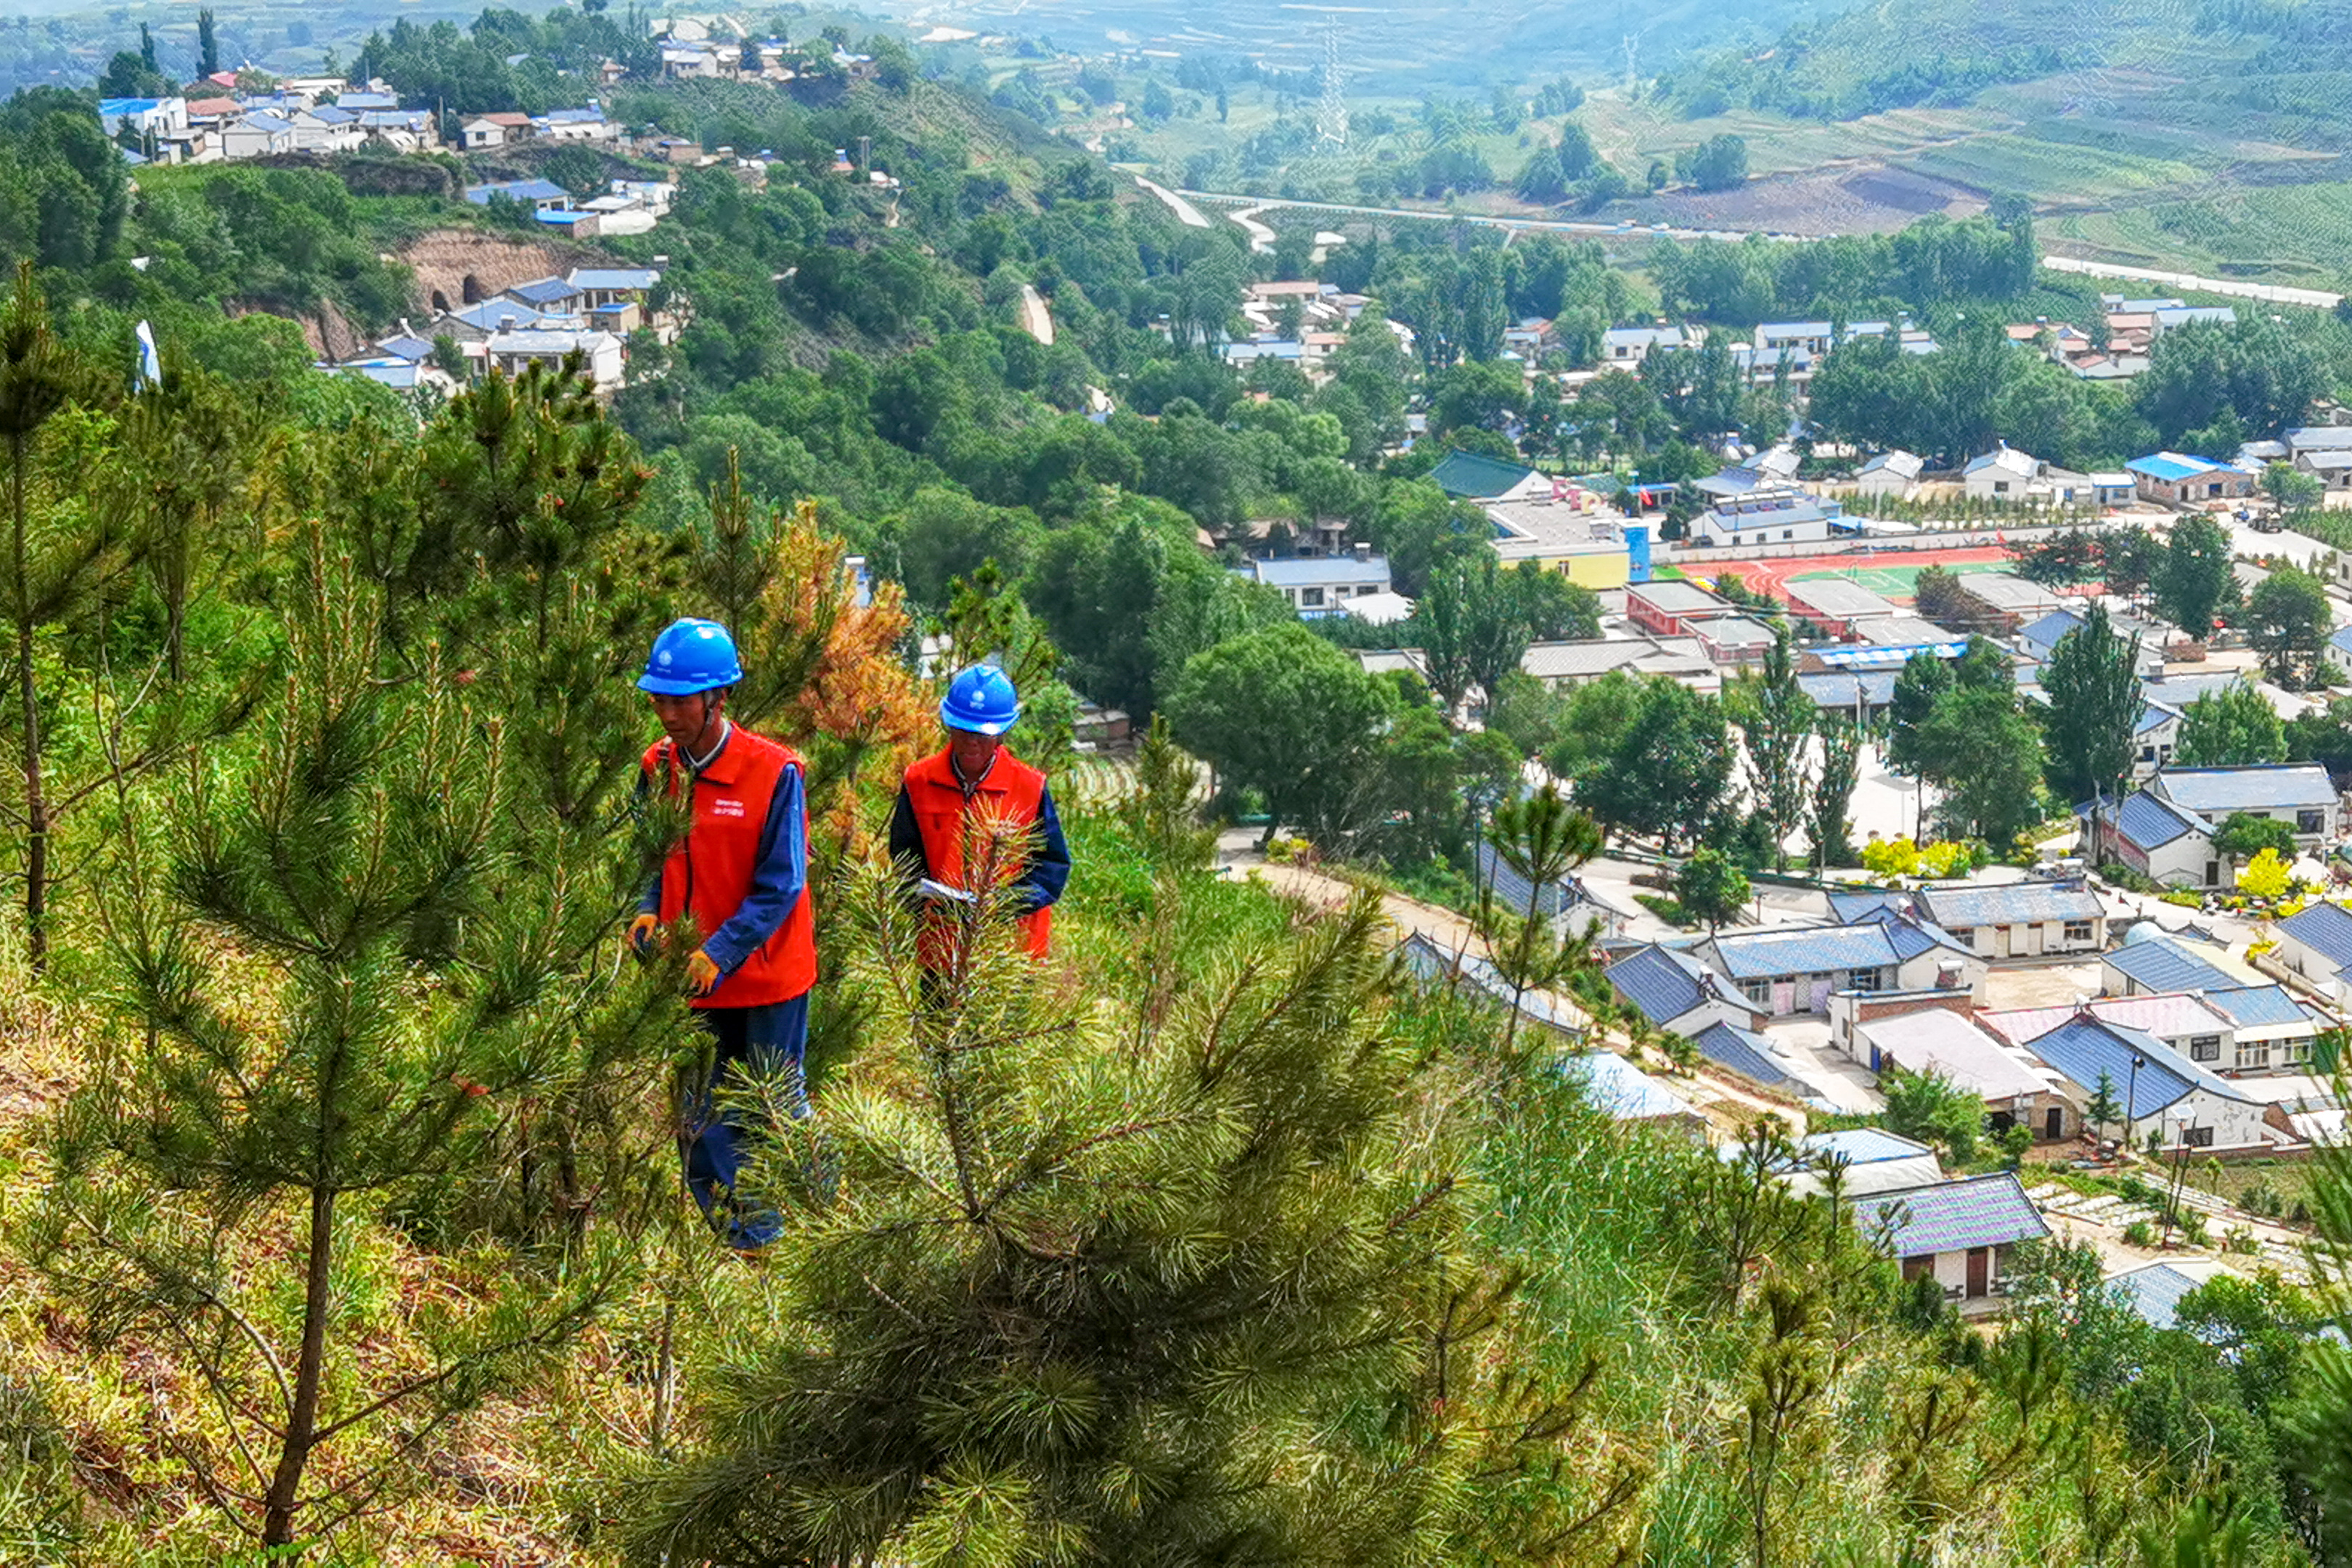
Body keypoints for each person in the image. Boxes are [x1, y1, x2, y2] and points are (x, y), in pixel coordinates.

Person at [629, 617, 814, 1251]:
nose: (666, 712)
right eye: (658, 698)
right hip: (691, 975)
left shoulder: (774, 773)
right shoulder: (657, 768)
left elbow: (781, 884)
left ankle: (799, 1219)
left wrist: (722, 950)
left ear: (718, 698)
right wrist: (645, 909)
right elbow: (646, 857)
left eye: (679, 699)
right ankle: (737, 1235)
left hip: (767, 978)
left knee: (770, 1108)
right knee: (698, 1116)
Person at [889, 665, 1070, 964]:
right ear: (949, 726)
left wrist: (999, 906)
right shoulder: (919, 781)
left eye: (982, 733)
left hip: (1010, 954)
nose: (972, 741)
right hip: (940, 950)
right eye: (964, 730)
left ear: (1002, 733)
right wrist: (924, 907)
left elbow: (1052, 868)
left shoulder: (1030, 787)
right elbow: (904, 856)